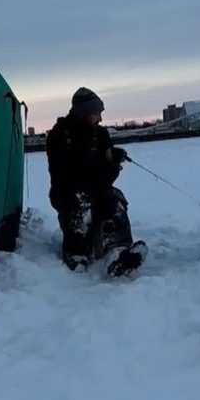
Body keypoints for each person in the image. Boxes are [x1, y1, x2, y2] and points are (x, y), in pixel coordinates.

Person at [45, 87, 147, 276]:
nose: (100, 119)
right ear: (83, 113)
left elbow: (104, 180)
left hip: (96, 188)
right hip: (68, 193)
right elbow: (70, 174)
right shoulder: (60, 136)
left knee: (115, 198)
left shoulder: (101, 135)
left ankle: (118, 253)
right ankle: (76, 254)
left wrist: (112, 159)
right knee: (80, 199)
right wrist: (108, 165)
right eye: (96, 114)